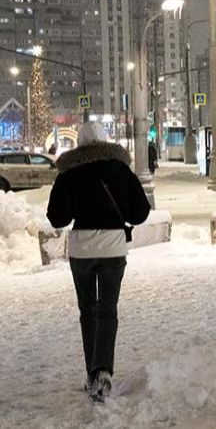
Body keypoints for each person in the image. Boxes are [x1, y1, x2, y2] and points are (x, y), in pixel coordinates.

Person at [46, 122, 151, 403]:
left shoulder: (69, 173)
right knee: (107, 310)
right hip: (113, 249)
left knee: (87, 311)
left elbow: (57, 217)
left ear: (79, 143)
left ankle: (92, 374)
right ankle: (102, 370)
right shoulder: (120, 170)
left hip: (81, 250)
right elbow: (140, 212)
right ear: (106, 141)